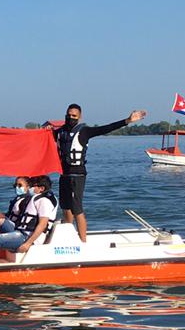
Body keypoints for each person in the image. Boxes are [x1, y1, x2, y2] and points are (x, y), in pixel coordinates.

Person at [50, 103, 146, 242]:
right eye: (69, 115)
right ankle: (68, 238)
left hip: (78, 175)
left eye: (74, 116)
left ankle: (83, 242)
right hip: (63, 174)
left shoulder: (85, 131)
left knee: (77, 209)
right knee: (66, 208)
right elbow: (42, 138)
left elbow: (106, 128)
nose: (70, 117)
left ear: (79, 117)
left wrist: (127, 121)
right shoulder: (59, 132)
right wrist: (46, 129)